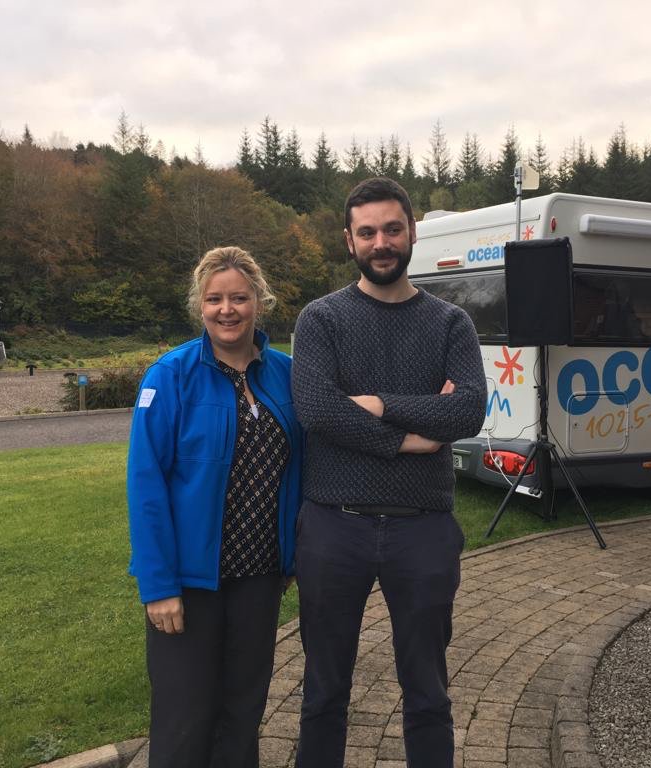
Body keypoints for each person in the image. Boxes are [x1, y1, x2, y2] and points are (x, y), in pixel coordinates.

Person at [291, 177, 486, 767]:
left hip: (422, 529)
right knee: (324, 691)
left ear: (412, 233)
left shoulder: (451, 323)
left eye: (392, 229)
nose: (382, 242)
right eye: (368, 231)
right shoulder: (321, 319)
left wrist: (375, 403)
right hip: (333, 527)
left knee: (427, 691)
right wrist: (411, 438)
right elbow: (318, 411)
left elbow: (468, 409)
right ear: (348, 240)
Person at [126, 246, 302, 768]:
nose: (228, 309)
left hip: (260, 579)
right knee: (184, 719)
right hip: (189, 586)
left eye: (240, 298)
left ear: (260, 302)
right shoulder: (170, 375)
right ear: (200, 306)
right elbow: (146, 485)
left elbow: (304, 466)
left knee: (243, 713)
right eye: (215, 299)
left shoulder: (285, 375)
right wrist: (159, 587)